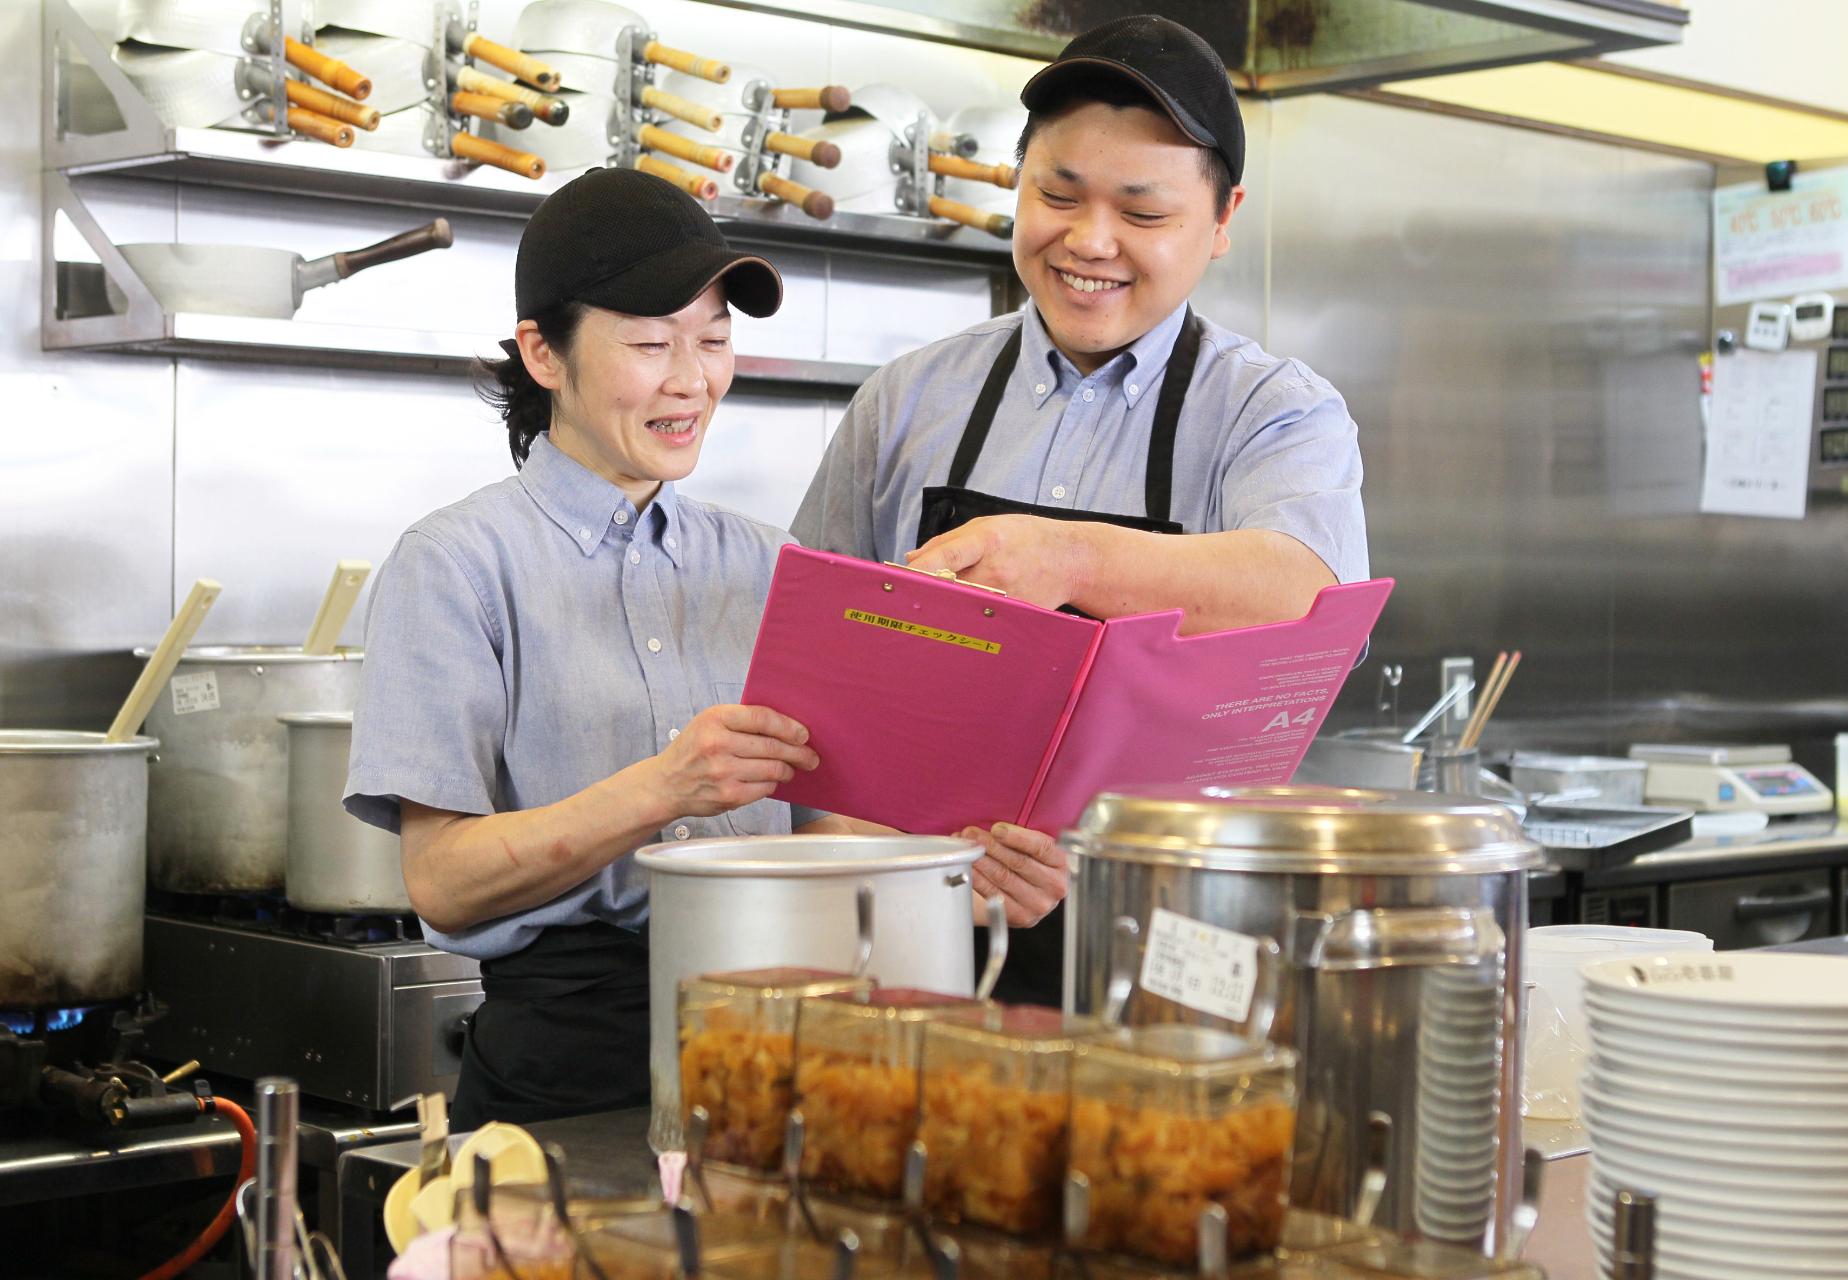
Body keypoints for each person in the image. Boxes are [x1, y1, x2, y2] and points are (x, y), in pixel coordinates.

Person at [791, 15, 1369, 1007]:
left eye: (1142, 214)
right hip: (918, 955)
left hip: (1174, 959)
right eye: (1058, 195)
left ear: (1223, 218)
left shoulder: (1274, 411)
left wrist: (1061, 560)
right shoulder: (906, 401)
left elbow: (1305, 598)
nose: (1088, 241)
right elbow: (803, 681)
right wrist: (878, 845)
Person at [344, 168, 870, 1128]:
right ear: (543, 354)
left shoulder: (770, 564)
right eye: (649, 343)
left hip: (778, 1043)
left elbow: (821, 837)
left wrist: (959, 866)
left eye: (712, 341)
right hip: (568, 1066)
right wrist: (663, 790)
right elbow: (444, 882)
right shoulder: (456, 565)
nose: (691, 379)